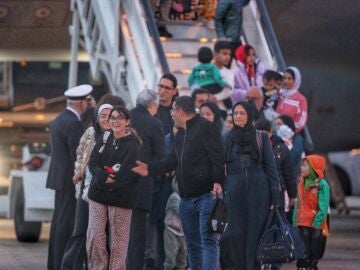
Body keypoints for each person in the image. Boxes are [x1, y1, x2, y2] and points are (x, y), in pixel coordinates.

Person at [132, 96, 225, 270]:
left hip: (207, 195)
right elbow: (173, 160)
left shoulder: (206, 128)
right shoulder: (181, 134)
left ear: (180, 111)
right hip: (186, 198)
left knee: (208, 241)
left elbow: (218, 157)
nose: (171, 114)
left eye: (172, 110)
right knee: (192, 244)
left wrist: (218, 181)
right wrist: (150, 169)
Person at [221, 101, 280, 270]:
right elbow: (220, 167)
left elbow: (270, 168)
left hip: (258, 192)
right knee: (234, 234)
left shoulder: (260, 137)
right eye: (236, 113)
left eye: (242, 113)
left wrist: (276, 195)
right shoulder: (226, 137)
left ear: (249, 115)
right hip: (234, 191)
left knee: (255, 233)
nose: (238, 116)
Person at [87, 106, 141, 270]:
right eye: (112, 117)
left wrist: (106, 177)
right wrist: (104, 177)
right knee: (95, 236)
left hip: (121, 198)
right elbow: (93, 163)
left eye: (119, 118)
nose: (115, 121)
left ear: (128, 122)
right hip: (97, 194)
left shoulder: (134, 145)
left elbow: (127, 172)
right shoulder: (104, 138)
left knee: (119, 241)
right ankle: (98, 267)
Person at [46, 84, 92, 270]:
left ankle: (54, 264)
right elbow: (77, 155)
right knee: (66, 226)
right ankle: (61, 264)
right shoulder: (73, 123)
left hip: (58, 178)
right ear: (82, 103)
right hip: (68, 180)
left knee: (58, 223)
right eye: (87, 102)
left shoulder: (60, 119)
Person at [127, 90, 166, 270]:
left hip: (121, 182)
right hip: (143, 184)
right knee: (139, 231)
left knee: (121, 229)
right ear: (152, 105)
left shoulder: (125, 118)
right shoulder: (154, 122)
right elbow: (161, 155)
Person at [293, 155, 330, 270]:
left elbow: (323, 207)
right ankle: (302, 266)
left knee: (314, 252)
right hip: (302, 223)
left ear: (314, 168)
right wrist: (295, 221)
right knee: (302, 251)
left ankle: (311, 266)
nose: (301, 168)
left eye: (304, 166)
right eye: (301, 165)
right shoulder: (301, 182)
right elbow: (298, 203)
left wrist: (316, 223)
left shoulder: (322, 185)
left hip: (315, 225)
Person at [255, 118, 296, 218]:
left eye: (263, 134)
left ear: (270, 133)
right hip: (257, 191)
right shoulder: (252, 148)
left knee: (277, 220)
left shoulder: (281, 148)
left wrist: (292, 194)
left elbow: (289, 173)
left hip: (277, 191)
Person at [163, 179, 187, 270]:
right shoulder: (174, 197)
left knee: (182, 260)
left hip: (182, 233)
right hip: (171, 231)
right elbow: (181, 212)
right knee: (170, 259)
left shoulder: (185, 198)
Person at [276, 66, 308, 133]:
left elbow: (301, 122)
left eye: (289, 79)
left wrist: (286, 129)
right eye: (284, 78)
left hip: (289, 134)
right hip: (275, 130)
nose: (286, 81)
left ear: (295, 80)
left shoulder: (301, 100)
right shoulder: (281, 94)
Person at [212, 40, 235, 114]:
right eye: (224, 53)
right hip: (204, 109)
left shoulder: (229, 73)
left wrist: (215, 98)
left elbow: (229, 91)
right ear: (215, 54)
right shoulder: (204, 69)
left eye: (229, 54)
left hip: (222, 111)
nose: (228, 57)